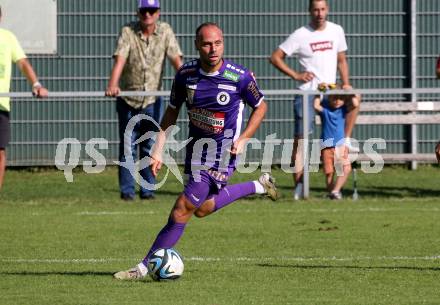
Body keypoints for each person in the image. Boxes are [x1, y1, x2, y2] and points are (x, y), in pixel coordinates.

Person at [113, 22, 279, 280]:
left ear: (223, 43)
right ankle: (258, 186)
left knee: (182, 208)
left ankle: (143, 267)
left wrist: (245, 138)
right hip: (196, 150)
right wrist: (158, 149)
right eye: (207, 43)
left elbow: (261, 107)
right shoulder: (185, 75)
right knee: (201, 209)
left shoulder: (240, 77)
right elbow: (171, 111)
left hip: (223, 153)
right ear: (196, 45)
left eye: (218, 43)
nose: (213, 49)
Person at [269, 0, 359, 200]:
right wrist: (296, 75)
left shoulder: (336, 30)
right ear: (310, 11)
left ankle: (344, 140)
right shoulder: (301, 34)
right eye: (316, 9)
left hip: (331, 92)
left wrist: (346, 84)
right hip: (308, 92)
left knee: (355, 100)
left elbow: (342, 60)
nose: (319, 13)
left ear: (327, 10)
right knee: (301, 141)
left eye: (323, 9)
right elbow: (275, 57)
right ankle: (300, 186)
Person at [105, 0, 183, 201]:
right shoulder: (128, 31)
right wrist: (113, 84)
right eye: (144, 11)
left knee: (149, 145)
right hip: (128, 98)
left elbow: (176, 60)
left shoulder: (165, 31)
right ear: (138, 13)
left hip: (152, 99)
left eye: (151, 11)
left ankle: (148, 190)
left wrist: (186, 82)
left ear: (158, 13)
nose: (147, 15)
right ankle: (127, 192)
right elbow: (120, 59)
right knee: (128, 146)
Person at [0, 6, 48, 191]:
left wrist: (36, 84)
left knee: (0, 152)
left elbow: (22, 62)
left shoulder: (8, 38)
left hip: (1, 105)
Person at [313, 87, 360, 199]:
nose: (337, 101)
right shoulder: (326, 109)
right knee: (329, 172)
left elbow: (355, 103)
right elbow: (316, 105)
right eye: (334, 98)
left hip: (340, 145)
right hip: (326, 146)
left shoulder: (343, 109)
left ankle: (335, 190)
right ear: (329, 98)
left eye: (340, 99)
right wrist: (319, 91)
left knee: (346, 168)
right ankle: (331, 193)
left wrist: (349, 91)